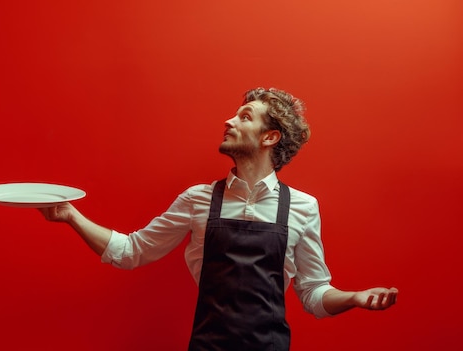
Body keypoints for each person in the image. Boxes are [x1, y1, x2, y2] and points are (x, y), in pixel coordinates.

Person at [38, 87, 398, 350]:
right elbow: (132, 251)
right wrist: (71, 215)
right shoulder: (198, 200)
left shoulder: (303, 207)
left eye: (244, 117)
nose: (228, 120)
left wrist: (354, 298)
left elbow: (314, 293)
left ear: (270, 137)